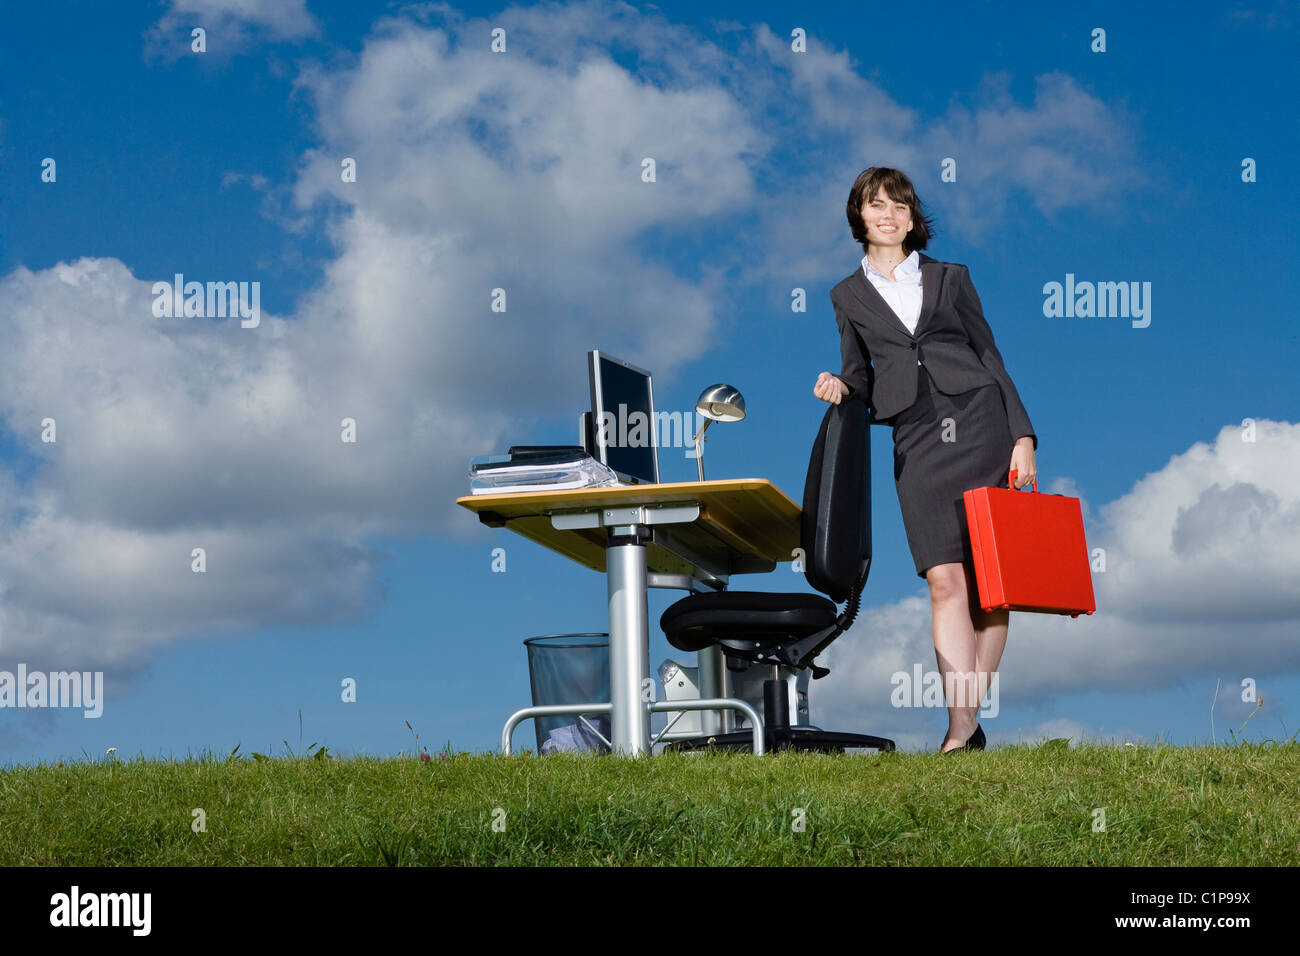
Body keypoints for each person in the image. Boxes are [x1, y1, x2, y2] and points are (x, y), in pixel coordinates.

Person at [813, 167, 1037, 753]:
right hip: (914, 435)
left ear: (913, 219)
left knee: (992, 586)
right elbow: (859, 370)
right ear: (858, 216)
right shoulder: (846, 295)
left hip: (981, 423)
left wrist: (1023, 437)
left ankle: (961, 728)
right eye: (875, 205)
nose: (888, 215)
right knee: (944, 580)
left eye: (899, 206)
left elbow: (990, 356)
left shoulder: (951, 278)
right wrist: (840, 384)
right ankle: (967, 723)